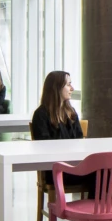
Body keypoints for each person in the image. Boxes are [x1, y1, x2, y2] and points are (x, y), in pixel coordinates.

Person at [31, 69, 92, 198]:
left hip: (75, 167)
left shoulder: (71, 112)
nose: (72, 88)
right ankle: (103, 215)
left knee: (105, 173)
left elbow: (80, 142)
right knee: (102, 176)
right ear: (57, 88)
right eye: (68, 84)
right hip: (55, 171)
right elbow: (43, 149)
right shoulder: (40, 115)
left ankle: (102, 214)